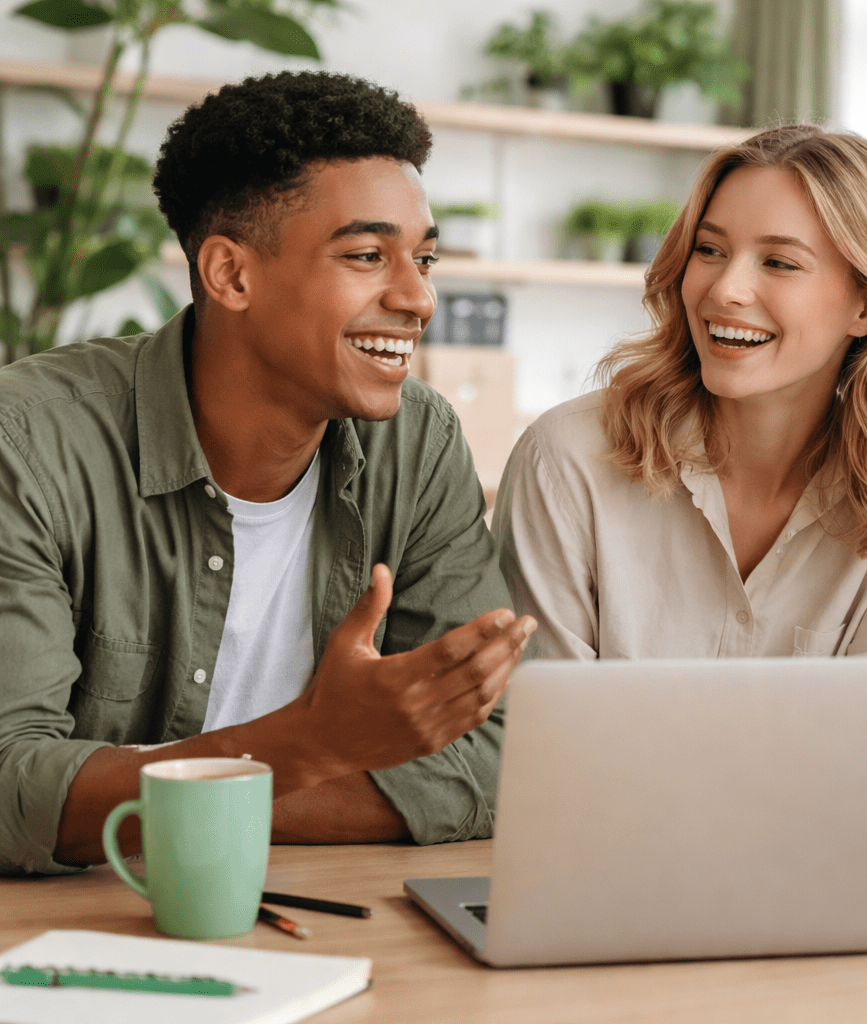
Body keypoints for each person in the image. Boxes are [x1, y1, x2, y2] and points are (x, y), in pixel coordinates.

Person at [0, 71, 537, 877]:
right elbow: (10, 781)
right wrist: (310, 746)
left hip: (322, 912)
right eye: (368, 255)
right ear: (231, 275)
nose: (419, 298)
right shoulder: (29, 441)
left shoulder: (418, 442)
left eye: (423, 258)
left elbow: (490, 755)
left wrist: (205, 797)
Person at [494, 125, 867, 659]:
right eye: (709, 250)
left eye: (779, 262)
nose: (725, 290)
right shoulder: (564, 459)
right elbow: (546, 707)